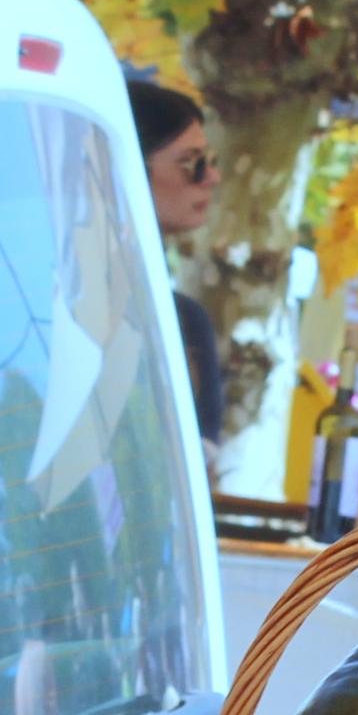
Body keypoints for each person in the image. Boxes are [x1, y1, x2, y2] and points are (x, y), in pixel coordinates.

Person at [129, 78, 227, 463]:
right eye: (192, 164)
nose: (212, 177)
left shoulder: (188, 321)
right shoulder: (68, 308)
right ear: (132, 168)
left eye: (210, 161)